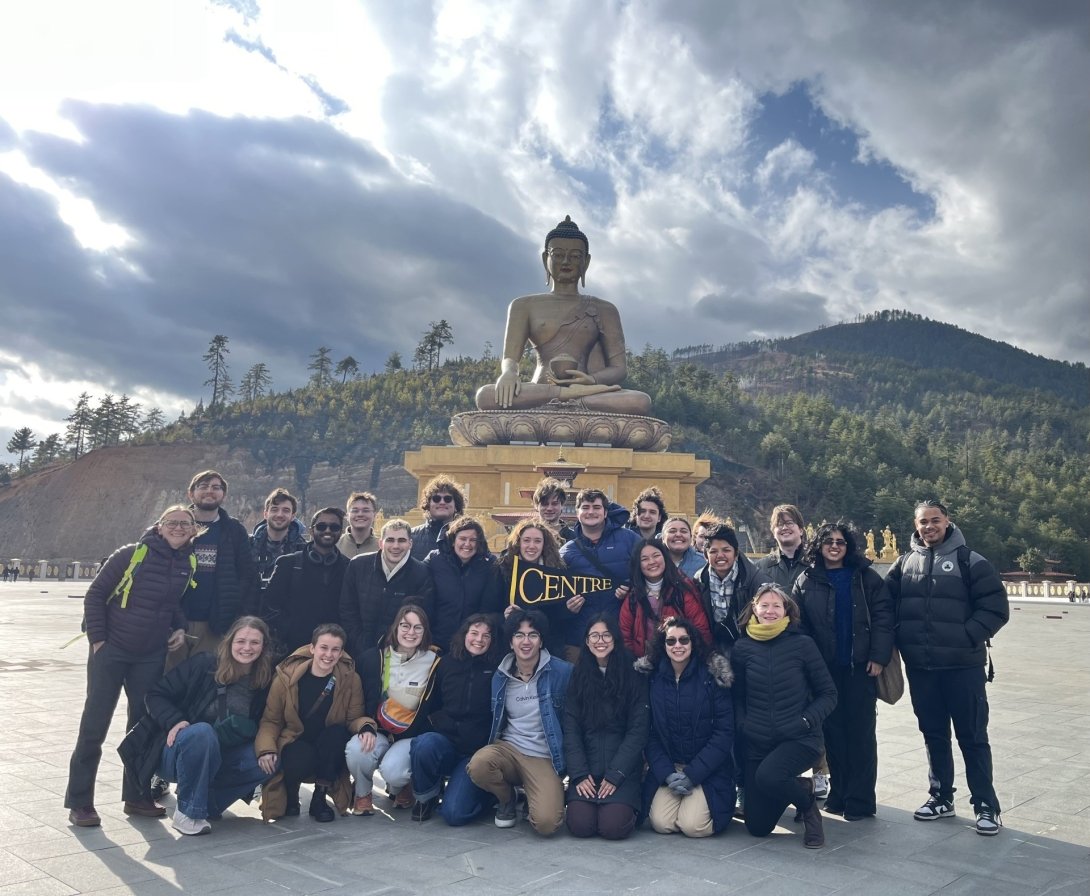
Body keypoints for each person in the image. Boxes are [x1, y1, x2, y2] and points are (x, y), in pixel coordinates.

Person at [65, 505, 196, 827]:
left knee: (142, 726)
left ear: (194, 530)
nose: (178, 528)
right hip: (112, 652)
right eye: (172, 523)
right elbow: (95, 595)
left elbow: (172, 604)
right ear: (160, 526)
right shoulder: (131, 554)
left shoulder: (186, 563)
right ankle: (80, 802)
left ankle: (136, 796)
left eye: (185, 524)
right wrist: (99, 643)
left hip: (150, 656)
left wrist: (179, 627)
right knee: (94, 726)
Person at [885, 500, 1009, 836]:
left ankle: (985, 804)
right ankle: (941, 796)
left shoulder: (971, 561)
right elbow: (885, 603)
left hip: (962, 667)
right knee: (933, 734)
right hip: (922, 669)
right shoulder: (904, 562)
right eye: (923, 522)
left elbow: (996, 608)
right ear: (916, 525)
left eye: (934, 520)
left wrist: (966, 636)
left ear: (947, 521)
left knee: (972, 736)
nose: (928, 527)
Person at [475, 215, 651, 415]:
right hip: (540, 388)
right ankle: (564, 396)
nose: (566, 261)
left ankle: (566, 398)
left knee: (639, 401)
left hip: (588, 391)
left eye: (575, 256)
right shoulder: (523, 305)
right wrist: (508, 373)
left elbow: (619, 369)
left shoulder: (605, 309)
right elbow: (510, 357)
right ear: (545, 259)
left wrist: (591, 381)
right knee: (485, 396)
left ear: (586, 262)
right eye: (558, 254)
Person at [122, 616, 276, 835]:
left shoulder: (264, 679)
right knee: (202, 732)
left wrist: (266, 750)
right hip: (177, 750)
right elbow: (155, 695)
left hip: (221, 756)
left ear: (264, 646)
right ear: (230, 641)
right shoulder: (204, 664)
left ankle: (207, 804)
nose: (247, 648)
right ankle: (187, 813)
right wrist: (175, 720)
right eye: (241, 641)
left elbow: (269, 721)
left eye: (254, 642)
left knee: (270, 758)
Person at [793, 522, 893, 820]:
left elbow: (884, 618)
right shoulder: (806, 580)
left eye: (840, 542)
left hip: (860, 668)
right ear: (818, 546)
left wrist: (878, 656)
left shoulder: (865, 577)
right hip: (825, 672)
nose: (834, 546)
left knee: (861, 735)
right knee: (833, 734)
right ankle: (839, 794)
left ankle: (861, 800)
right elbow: (800, 626)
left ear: (848, 546)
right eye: (828, 541)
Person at [731, 585, 837, 849]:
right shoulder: (742, 647)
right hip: (757, 739)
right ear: (754, 608)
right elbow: (737, 696)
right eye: (764, 605)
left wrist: (804, 721)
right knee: (757, 827)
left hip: (798, 737)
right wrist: (744, 725)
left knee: (769, 776)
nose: (770, 611)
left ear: (786, 610)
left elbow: (828, 694)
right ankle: (800, 786)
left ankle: (809, 810)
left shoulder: (803, 644)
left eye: (776, 605)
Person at [467, 609, 573, 835]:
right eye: (519, 635)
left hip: (544, 755)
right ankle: (507, 799)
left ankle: (534, 795)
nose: (526, 641)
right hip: (509, 749)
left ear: (541, 640)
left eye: (532, 635)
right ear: (510, 642)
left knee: (546, 824)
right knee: (478, 765)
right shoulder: (500, 675)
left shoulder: (562, 672)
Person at [255, 624, 372, 822]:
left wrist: (366, 727)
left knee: (336, 735)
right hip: (296, 739)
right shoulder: (286, 677)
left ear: (341, 652)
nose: (329, 654)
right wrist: (266, 749)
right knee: (298, 755)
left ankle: (319, 797)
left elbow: (353, 718)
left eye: (335, 649)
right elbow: (271, 720)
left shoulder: (350, 679)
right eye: (324, 648)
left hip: (327, 743)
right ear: (312, 648)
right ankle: (291, 794)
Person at [754, 504, 831, 801]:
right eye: (779, 524)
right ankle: (788, 771)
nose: (785, 528)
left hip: (807, 644)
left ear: (801, 528)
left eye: (790, 523)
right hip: (772, 647)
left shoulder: (815, 563)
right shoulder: (763, 567)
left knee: (812, 709)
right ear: (772, 531)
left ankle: (820, 771)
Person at [638, 617, 735, 838]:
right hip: (671, 767)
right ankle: (682, 797)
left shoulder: (712, 676)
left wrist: (693, 774)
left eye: (684, 640)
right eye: (671, 641)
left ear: (693, 643)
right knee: (661, 823)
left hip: (706, 769)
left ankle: (702, 802)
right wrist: (666, 773)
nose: (677, 646)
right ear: (663, 645)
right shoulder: (652, 678)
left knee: (693, 826)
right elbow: (649, 733)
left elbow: (724, 733)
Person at [345, 605, 441, 815]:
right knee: (356, 749)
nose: (411, 632)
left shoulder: (434, 662)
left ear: (425, 632)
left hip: (411, 734)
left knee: (394, 771)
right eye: (405, 626)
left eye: (418, 627)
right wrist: (366, 727)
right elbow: (358, 702)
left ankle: (400, 786)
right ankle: (362, 794)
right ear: (395, 628)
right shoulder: (373, 659)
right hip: (378, 729)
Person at [408, 614, 502, 824]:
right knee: (423, 744)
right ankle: (426, 798)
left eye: (486, 635)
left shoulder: (498, 668)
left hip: (475, 753)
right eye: (474, 633)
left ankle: (488, 797)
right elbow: (432, 703)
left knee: (454, 815)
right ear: (464, 634)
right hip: (446, 742)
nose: (479, 639)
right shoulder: (445, 664)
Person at [563, 614, 649, 840]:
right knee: (580, 826)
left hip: (621, 770)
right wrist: (579, 774)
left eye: (606, 635)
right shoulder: (579, 674)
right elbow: (571, 728)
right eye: (594, 636)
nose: (600, 641)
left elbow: (638, 730)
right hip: (587, 770)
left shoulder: (632, 673)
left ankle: (630, 809)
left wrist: (616, 774)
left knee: (613, 827)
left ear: (615, 638)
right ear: (587, 641)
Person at [169, 470, 258, 670]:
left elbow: (248, 575)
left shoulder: (234, 530)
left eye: (216, 487)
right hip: (173, 621)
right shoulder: (175, 525)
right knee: (165, 682)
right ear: (190, 494)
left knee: (204, 685)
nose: (210, 491)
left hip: (215, 625)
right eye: (203, 486)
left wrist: (238, 616)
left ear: (223, 495)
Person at [559, 488, 640, 662]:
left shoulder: (629, 540)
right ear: (577, 512)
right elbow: (555, 595)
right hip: (580, 638)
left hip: (621, 635)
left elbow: (648, 575)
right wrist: (567, 608)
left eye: (596, 507)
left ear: (605, 512)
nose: (591, 512)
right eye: (585, 507)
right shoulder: (566, 552)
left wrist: (630, 590)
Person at [339, 519, 435, 661]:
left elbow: (420, 617)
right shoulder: (358, 565)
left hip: (398, 654)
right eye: (390, 540)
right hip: (357, 650)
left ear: (410, 544)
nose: (395, 546)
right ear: (380, 542)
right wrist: (360, 644)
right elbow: (347, 609)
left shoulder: (422, 573)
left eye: (401, 540)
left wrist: (394, 647)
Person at [263, 508, 349, 657]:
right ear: (311, 530)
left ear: (341, 532)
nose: (327, 530)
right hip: (291, 649)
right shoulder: (289, 564)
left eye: (334, 527)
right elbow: (270, 606)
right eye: (321, 526)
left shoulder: (348, 567)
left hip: (332, 651)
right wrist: (286, 631)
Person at [423, 516, 504, 653]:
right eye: (463, 539)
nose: (467, 544)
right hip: (436, 642)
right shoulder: (434, 560)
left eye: (473, 540)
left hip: (471, 645)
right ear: (453, 541)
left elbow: (490, 606)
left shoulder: (490, 566)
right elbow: (424, 600)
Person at [619, 539, 710, 658]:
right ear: (638, 564)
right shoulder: (633, 596)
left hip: (681, 661)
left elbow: (701, 629)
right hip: (645, 665)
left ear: (665, 558)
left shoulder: (682, 590)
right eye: (644, 559)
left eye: (656, 556)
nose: (651, 562)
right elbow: (625, 635)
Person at [497, 517, 570, 657]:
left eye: (537, 541)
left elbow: (559, 615)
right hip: (510, 648)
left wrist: (569, 609)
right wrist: (504, 616)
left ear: (544, 544)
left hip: (549, 647)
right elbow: (489, 609)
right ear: (518, 543)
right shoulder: (502, 569)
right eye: (526, 540)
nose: (532, 546)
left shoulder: (557, 571)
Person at [693, 523, 761, 652]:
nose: (720, 556)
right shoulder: (699, 580)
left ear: (736, 553)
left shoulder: (753, 579)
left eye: (726, 550)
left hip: (748, 647)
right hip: (712, 649)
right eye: (713, 551)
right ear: (706, 556)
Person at [250, 487, 308, 595]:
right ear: (265, 514)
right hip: (253, 609)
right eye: (274, 509)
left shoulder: (303, 551)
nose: (279, 514)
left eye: (286, 510)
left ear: (292, 516)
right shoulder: (248, 545)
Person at [411, 475, 465, 560]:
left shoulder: (468, 538)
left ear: (456, 506)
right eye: (436, 499)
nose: (442, 502)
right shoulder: (411, 537)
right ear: (428, 505)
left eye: (447, 499)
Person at [337, 491, 380, 559]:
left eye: (366, 510)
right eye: (355, 511)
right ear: (347, 516)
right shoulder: (335, 544)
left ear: (375, 515)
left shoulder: (383, 547)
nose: (360, 514)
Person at [533, 477, 575, 543]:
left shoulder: (574, 539)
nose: (549, 508)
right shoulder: (526, 536)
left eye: (554, 504)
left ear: (562, 506)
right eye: (545, 504)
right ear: (536, 506)